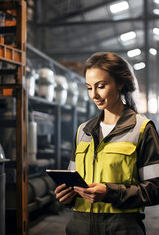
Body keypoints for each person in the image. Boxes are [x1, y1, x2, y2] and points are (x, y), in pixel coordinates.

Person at [55, 52, 159, 235]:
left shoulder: (142, 129)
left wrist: (110, 193)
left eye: (101, 86)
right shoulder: (83, 131)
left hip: (122, 228)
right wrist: (67, 196)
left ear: (120, 83)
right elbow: (73, 180)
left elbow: (155, 189)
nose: (94, 95)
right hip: (80, 227)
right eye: (89, 88)